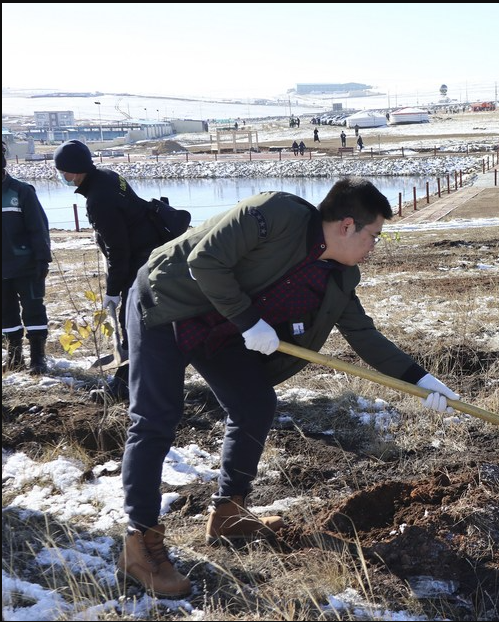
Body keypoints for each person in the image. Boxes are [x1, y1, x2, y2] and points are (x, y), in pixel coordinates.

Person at [117, 178, 460, 597]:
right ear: (347, 225)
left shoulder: (338, 276)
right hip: (167, 301)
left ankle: (230, 512)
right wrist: (248, 322)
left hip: (221, 325)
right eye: (373, 236)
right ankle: (141, 544)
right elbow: (205, 260)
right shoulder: (274, 213)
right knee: (155, 419)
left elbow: (364, 335)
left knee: (255, 404)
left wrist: (421, 381)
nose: (374, 247)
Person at [54, 139, 162, 401]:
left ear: (76, 171)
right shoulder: (108, 176)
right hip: (150, 253)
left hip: (141, 262)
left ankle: (123, 388)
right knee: (138, 323)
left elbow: (119, 249)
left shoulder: (98, 199)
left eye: (63, 172)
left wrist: (114, 291)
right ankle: (139, 379)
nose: (61, 177)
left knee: (131, 322)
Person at [2, 141, 52, 375]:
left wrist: (43, 259)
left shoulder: (21, 191)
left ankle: (38, 358)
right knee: (6, 313)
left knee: (33, 310)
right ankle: (14, 357)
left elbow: (38, 228)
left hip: (27, 266)